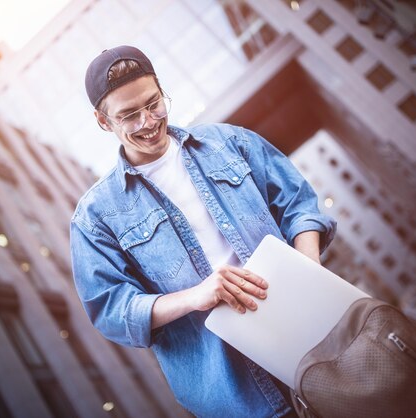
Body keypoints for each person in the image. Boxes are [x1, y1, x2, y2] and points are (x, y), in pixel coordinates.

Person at [70, 45, 336, 418]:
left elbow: (299, 204)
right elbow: (112, 310)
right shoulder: (95, 217)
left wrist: (309, 269)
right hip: (238, 394)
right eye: (129, 116)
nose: (148, 122)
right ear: (102, 121)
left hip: (314, 339)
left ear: (161, 89)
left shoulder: (229, 141)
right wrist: (197, 296)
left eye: (153, 103)